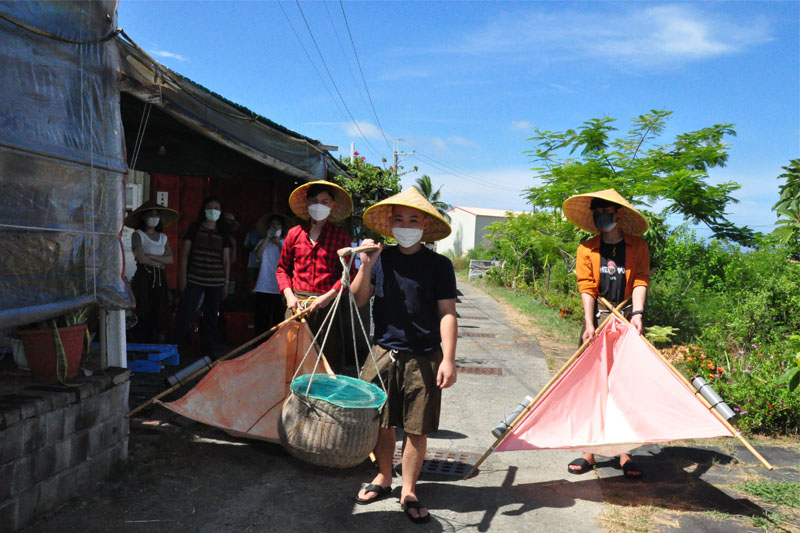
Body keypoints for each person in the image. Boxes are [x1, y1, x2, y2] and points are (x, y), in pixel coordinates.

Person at [351, 188, 457, 524]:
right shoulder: (380, 258)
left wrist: (449, 359)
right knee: (381, 423)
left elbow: (448, 313)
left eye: (413, 219)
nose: (405, 224)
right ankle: (383, 476)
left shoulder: (439, 265)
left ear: (425, 225)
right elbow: (357, 300)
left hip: (424, 355)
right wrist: (365, 264)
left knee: (416, 428)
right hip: (382, 351)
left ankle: (408, 489)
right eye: (399, 219)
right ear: (389, 224)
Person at [562, 188, 650, 479]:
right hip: (599, 319)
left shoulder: (637, 246)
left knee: (626, 386)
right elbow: (586, 286)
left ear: (619, 214)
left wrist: (637, 315)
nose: (601, 218)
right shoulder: (587, 248)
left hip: (626, 320)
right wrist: (589, 323)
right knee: (593, 386)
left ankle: (625, 453)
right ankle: (589, 451)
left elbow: (640, 279)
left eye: (606, 213)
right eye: (597, 214)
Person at [276, 181, 354, 373]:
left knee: (327, 361)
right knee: (293, 360)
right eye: (315, 201)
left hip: (327, 305)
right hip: (297, 307)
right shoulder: (294, 234)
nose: (319, 205)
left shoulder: (340, 236)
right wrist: (290, 297)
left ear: (332, 205)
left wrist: (327, 297)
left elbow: (348, 274)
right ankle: (293, 400)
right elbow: (282, 269)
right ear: (308, 204)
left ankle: (324, 402)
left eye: (325, 201)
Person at [170, 197, 232, 356]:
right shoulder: (195, 228)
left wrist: (226, 283)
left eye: (216, 207)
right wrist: (182, 277)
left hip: (216, 280)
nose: (213, 210)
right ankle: (175, 348)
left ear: (220, 211)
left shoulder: (224, 232)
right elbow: (184, 255)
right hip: (195, 278)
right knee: (186, 313)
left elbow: (226, 260)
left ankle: (207, 351)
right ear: (204, 210)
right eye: (210, 207)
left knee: (211, 316)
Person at [125, 200, 178, 343]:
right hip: (144, 276)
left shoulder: (163, 237)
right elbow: (141, 259)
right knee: (143, 309)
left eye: (156, 214)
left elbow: (170, 259)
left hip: (159, 277)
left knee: (159, 309)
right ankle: (141, 340)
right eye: (150, 214)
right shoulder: (138, 234)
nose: (154, 217)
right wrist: (159, 261)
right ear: (143, 217)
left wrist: (152, 257)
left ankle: (156, 339)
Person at [252, 213, 288, 334]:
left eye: (278, 225)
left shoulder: (286, 242)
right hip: (263, 286)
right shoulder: (263, 242)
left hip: (280, 287)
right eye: (272, 225)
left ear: (282, 228)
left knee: (278, 321)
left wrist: (278, 242)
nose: (275, 227)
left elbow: (288, 259)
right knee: (261, 320)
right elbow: (257, 256)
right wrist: (267, 238)